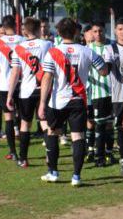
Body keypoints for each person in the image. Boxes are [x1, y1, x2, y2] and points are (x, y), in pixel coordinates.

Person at [39, 18, 109, 186]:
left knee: (52, 133)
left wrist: (42, 103)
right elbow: (104, 71)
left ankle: (53, 172)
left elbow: (47, 78)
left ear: (59, 33)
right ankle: (76, 176)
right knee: (78, 136)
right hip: (79, 100)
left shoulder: (53, 52)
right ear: (77, 32)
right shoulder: (87, 51)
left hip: (58, 102)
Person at [6, 17, 52, 168]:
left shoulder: (18, 48)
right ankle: (49, 155)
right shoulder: (47, 44)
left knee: (25, 124)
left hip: (26, 90)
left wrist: (9, 95)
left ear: (25, 31)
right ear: (39, 29)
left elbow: (14, 73)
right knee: (45, 123)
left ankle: (23, 159)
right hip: (44, 89)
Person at [0, 16, 25, 160]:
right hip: (21, 83)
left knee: (8, 118)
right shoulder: (22, 40)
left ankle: (13, 152)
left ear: (3, 27)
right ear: (15, 25)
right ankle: (23, 153)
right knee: (23, 119)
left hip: (4, 85)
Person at [86, 22, 116, 167]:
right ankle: (99, 157)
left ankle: (110, 152)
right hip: (98, 93)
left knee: (110, 125)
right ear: (91, 33)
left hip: (115, 92)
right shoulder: (88, 49)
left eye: (101, 31)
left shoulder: (112, 46)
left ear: (105, 31)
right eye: (95, 31)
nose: (98, 34)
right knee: (99, 125)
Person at [107, 18, 123, 174]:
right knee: (122, 128)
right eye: (120, 29)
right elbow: (106, 67)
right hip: (119, 95)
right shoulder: (110, 49)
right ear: (115, 31)